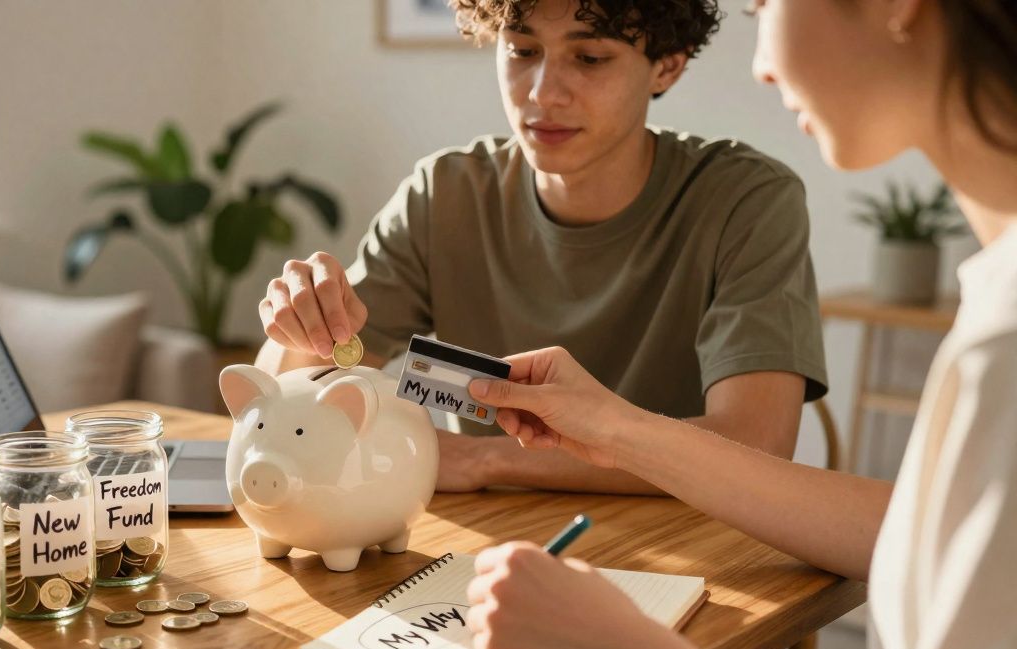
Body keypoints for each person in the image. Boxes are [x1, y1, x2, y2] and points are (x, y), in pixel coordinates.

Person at [463, 1, 1017, 649]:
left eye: (765, 4)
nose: (761, 65)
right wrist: (616, 429)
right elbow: (919, 535)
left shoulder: (1002, 349)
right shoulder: (996, 304)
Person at [254, 0, 829, 496]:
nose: (543, 92)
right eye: (522, 50)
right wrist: (302, 327)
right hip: (489, 545)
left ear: (667, 66)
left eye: (591, 58)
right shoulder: (447, 194)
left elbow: (759, 443)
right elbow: (291, 392)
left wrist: (489, 461)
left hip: (693, 546)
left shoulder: (745, 201)